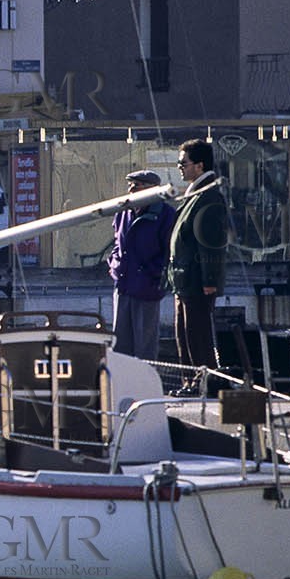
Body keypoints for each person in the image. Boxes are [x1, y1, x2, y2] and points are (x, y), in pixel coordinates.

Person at [165, 140, 228, 395]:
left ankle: (204, 382)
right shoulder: (195, 195)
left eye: (184, 163)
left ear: (200, 165)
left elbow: (211, 243)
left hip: (196, 281)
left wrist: (209, 280)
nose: (180, 167)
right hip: (184, 280)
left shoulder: (209, 197)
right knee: (184, 334)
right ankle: (190, 381)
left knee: (197, 335)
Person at [108, 170, 176, 360]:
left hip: (147, 288)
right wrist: (115, 266)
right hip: (123, 286)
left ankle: (146, 377)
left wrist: (153, 276)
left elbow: (169, 251)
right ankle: (122, 378)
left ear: (151, 189)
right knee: (120, 345)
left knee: (145, 346)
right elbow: (117, 243)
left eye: (136, 185)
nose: (131, 190)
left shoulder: (165, 215)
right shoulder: (123, 212)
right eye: (130, 185)